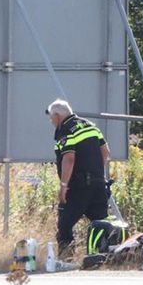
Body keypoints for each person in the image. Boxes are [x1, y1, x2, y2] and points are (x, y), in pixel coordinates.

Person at [46, 99, 110, 258]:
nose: (51, 121)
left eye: (51, 117)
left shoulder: (66, 130)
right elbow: (106, 152)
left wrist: (63, 186)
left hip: (79, 187)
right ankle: (101, 258)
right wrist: (96, 172)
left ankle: (66, 260)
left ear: (58, 115)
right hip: (98, 185)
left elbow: (69, 158)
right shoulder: (90, 125)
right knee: (100, 224)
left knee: (65, 225)